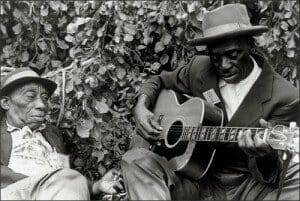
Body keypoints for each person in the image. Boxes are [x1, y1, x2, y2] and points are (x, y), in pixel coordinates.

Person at [121, 3, 299, 200]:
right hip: (192, 181)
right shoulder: (199, 69)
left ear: (250, 44)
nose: (223, 65)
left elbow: (274, 174)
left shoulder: (284, 96)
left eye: (233, 55)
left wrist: (265, 155)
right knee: (134, 159)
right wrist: (141, 107)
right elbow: (159, 80)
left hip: (245, 189)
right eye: (215, 57)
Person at [0, 67, 123, 200]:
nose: (41, 105)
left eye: (45, 98)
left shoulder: (52, 135)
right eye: (30, 96)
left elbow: (67, 181)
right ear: (6, 103)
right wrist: (47, 184)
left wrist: (96, 186)